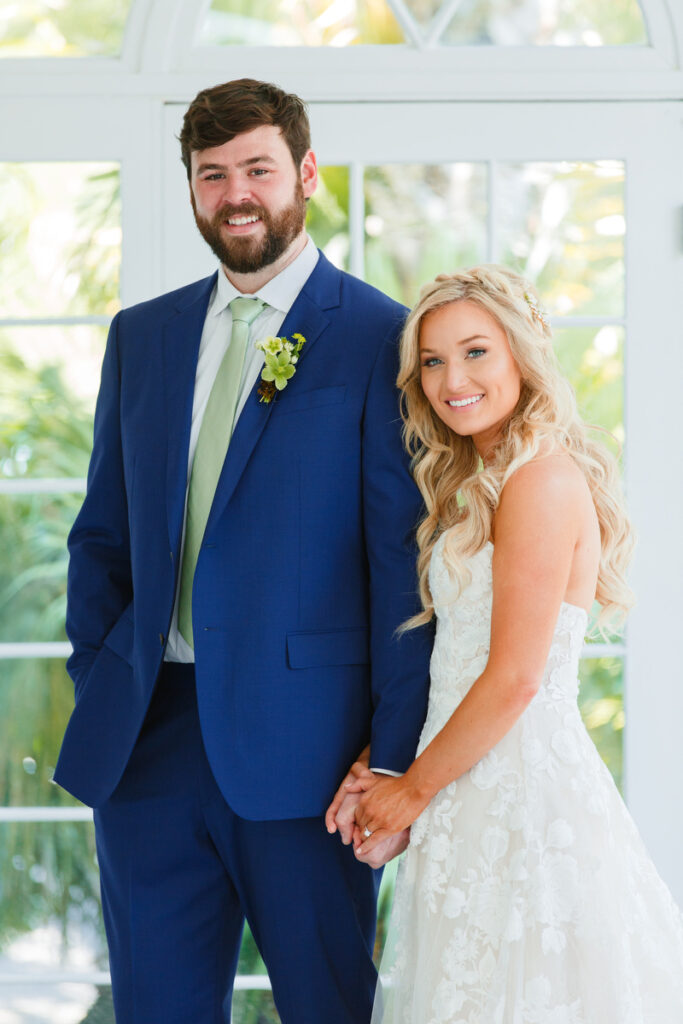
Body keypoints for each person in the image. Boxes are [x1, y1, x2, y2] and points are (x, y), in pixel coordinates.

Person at [53, 78, 431, 1024]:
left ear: (305, 174)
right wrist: (100, 673)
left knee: (326, 1007)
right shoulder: (142, 338)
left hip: (312, 758)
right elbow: (102, 534)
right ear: (190, 186)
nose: (235, 194)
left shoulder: (384, 338)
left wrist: (389, 760)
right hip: (146, 743)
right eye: (211, 174)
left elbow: (402, 569)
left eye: (257, 169)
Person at [343, 266, 683, 1022]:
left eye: (474, 353)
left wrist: (409, 792)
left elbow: (515, 678)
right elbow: (452, 663)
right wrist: (386, 766)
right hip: (469, 793)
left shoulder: (538, 481)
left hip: (524, 803)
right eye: (431, 361)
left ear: (522, 356)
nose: (449, 379)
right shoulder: (477, 482)